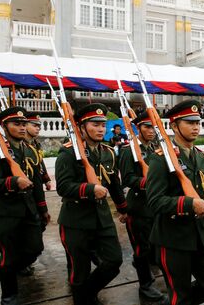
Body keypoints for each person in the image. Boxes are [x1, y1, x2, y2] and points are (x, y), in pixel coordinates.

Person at [146, 100, 204, 305]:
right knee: (179, 293)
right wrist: (188, 204)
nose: (196, 127)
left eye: (197, 122)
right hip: (173, 238)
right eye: (189, 122)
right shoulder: (160, 158)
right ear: (173, 125)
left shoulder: (200, 156)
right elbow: (155, 201)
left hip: (200, 235)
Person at [55, 103, 128, 305]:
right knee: (80, 270)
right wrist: (89, 189)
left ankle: (87, 293)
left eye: (102, 125)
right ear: (81, 127)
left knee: (114, 261)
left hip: (102, 218)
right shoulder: (69, 153)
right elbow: (62, 186)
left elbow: (114, 183)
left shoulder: (108, 152)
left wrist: (123, 209)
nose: (101, 129)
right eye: (95, 125)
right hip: (76, 220)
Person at [0, 107, 48, 305]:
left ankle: (9, 271)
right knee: (9, 256)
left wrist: (43, 208)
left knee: (35, 248)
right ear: (4, 126)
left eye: (23, 124)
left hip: (29, 209)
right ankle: (9, 295)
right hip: (5, 212)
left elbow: (36, 182)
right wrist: (13, 183)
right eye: (16, 124)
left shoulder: (29, 150)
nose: (21, 128)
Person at [118, 112, 166, 302]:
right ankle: (145, 285)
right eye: (147, 127)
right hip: (139, 205)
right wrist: (150, 182)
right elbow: (127, 178)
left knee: (156, 243)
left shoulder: (157, 148)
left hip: (156, 203)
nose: (151, 131)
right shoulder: (129, 150)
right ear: (138, 128)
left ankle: (146, 266)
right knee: (141, 248)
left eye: (153, 127)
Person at [24, 113, 52, 192]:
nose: (38, 128)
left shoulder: (35, 143)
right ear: (25, 125)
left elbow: (40, 161)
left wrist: (46, 179)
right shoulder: (21, 144)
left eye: (38, 126)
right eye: (34, 126)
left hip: (38, 182)